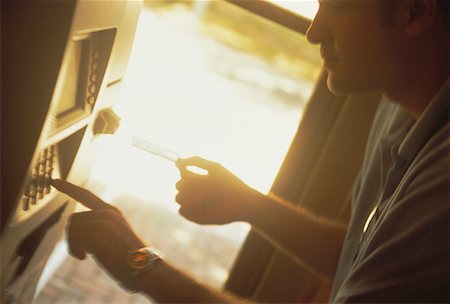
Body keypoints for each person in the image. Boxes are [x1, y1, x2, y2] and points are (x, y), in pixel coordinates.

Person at [51, 0, 449, 302]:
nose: (313, 31)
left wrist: (138, 264)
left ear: (413, 13)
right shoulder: (400, 98)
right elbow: (365, 254)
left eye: (337, 5)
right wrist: (249, 204)